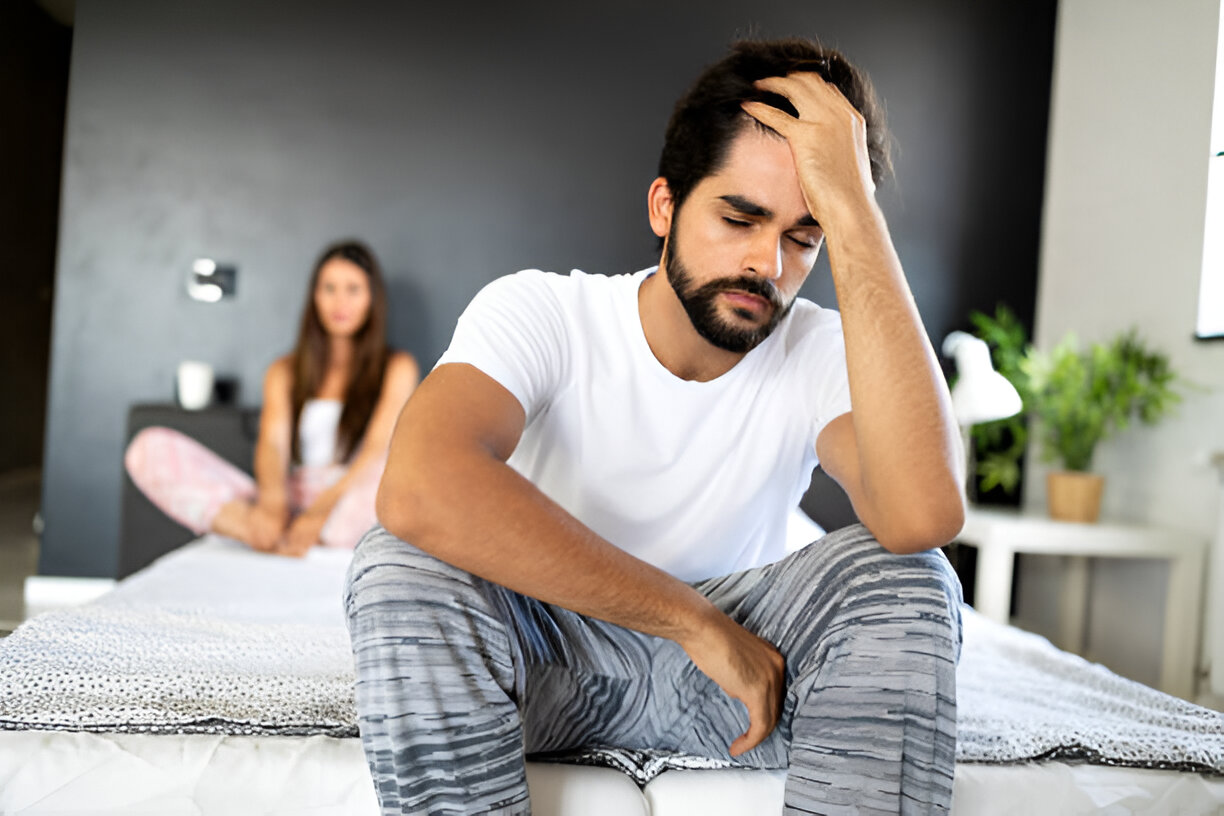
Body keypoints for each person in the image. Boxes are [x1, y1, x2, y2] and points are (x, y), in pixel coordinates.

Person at [346, 38, 966, 815]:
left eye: (805, 237)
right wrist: (691, 622)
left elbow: (922, 517)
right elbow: (418, 486)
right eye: (739, 218)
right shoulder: (545, 312)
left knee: (912, 577)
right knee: (400, 559)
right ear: (664, 207)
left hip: (749, 688)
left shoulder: (822, 351)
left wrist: (856, 210)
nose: (768, 263)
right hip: (544, 672)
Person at [125, 240, 419, 557]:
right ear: (314, 296)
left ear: (372, 298)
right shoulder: (284, 371)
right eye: (329, 288)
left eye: (353, 289)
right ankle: (262, 531)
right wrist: (273, 504)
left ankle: (306, 536)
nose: (340, 302)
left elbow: (376, 449)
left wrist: (320, 512)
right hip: (293, 495)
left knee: (388, 484)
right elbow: (273, 446)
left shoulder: (397, 368)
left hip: (350, 497)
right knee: (146, 448)